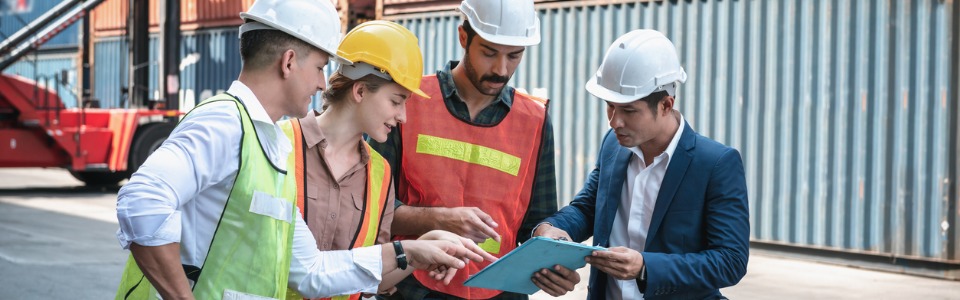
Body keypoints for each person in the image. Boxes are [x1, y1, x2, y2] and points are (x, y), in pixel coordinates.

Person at [114, 1, 493, 299]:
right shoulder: (224, 122)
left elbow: (310, 271)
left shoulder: (271, 146)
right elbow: (142, 200)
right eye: (319, 67)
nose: (321, 83)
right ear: (289, 61)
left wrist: (411, 251)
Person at [278, 20, 493, 300]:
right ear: (360, 91)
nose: (403, 116)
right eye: (396, 101)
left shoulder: (379, 172)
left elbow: (372, 282)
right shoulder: (280, 144)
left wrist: (418, 252)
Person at [368, 0, 566, 299]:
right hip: (411, 288)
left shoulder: (535, 121)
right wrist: (442, 219)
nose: (501, 69)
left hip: (501, 290)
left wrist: (552, 259)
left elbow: (538, 222)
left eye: (514, 56)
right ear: (463, 37)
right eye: (489, 53)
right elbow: (369, 208)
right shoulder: (408, 102)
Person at [532, 29, 750, 299]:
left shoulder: (715, 163)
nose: (614, 122)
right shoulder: (613, 145)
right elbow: (588, 209)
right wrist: (552, 229)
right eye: (610, 106)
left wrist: (646, 267)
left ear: (666, 105)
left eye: (629, 111)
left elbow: (731, 261)